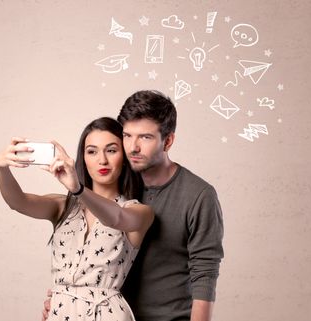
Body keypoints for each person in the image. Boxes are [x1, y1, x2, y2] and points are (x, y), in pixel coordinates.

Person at [42, 90, 224, 321]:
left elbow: (205, 274)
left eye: (145, 137)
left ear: (167, 141)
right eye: (127, 136)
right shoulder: (111, 188)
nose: (133, 147)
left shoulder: (198, 195)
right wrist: (67, 301)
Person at [0, 117, 154, 321]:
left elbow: (117, 217)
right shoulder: (63, 207)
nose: (102, 160)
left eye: (111, 150)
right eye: (92, 151)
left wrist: (78, 189)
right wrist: (1, 168)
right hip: (60, 313)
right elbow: (18, 202)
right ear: (83, 158)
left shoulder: (139, 211)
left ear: (124, 157)